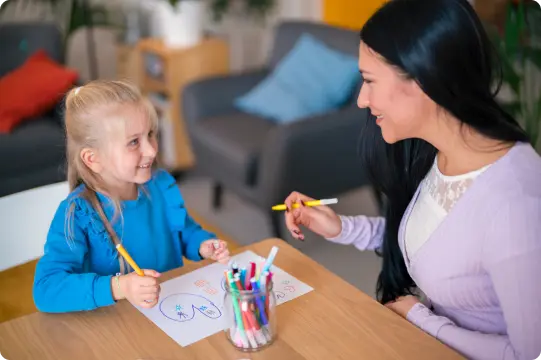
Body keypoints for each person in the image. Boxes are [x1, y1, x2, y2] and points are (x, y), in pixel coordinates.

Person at [283, 0, 541, 359]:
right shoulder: (441, 154)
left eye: (370, 81)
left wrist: (419, 317)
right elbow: (435, 242)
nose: (361, 99)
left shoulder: (517, 207)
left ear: (423, 79)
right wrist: (340, 227)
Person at [33, 80, 230, 313]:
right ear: (93, 159)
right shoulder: (77, 214)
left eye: (150, 135)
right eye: (134, 142)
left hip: (172, 312)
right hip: (118, 330)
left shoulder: (160, 185)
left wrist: (202, 245)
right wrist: (119, 287)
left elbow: (184, 231)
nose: (151, 150)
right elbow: (46, 289)